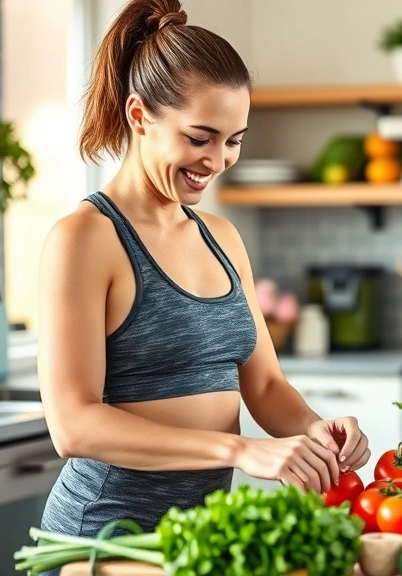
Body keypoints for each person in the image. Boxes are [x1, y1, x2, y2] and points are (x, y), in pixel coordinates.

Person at [37, 0, 371, 543]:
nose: (216, 161)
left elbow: (263, 384)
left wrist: (314, 430)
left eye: (234, 141)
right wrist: (240, 449)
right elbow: (73, 425)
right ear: (139, 115)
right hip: (107, 534)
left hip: (200, 533)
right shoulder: (85, 239)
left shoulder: (222, 237)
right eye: (199, 138)